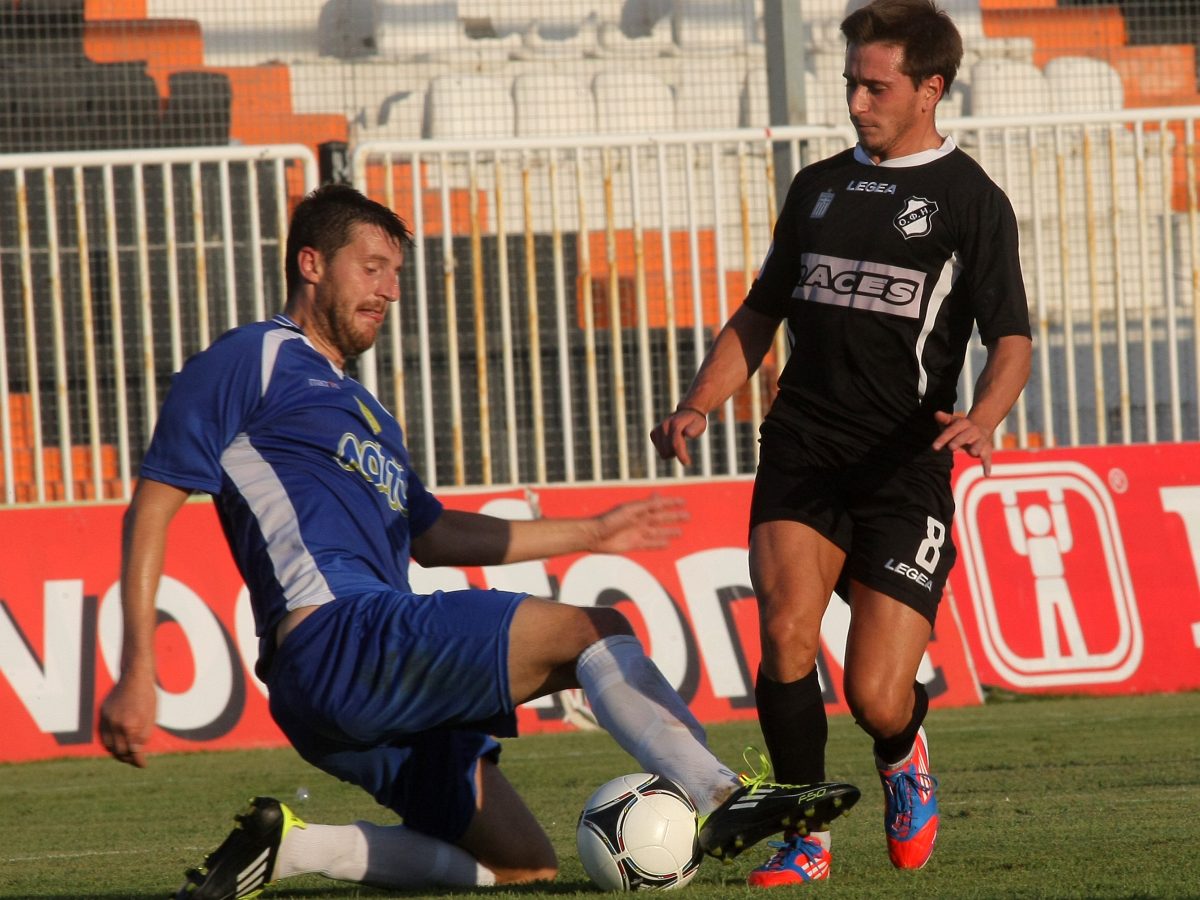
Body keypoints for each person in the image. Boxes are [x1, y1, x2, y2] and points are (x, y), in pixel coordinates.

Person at [98, 183, 860, 900]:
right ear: (311, 263)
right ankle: (718, 795)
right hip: (338, 635)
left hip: (344, 692)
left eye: (396, 274)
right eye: (372, 267)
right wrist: (138, 668)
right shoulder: (250, 358)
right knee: (591, 630)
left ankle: (290, 848)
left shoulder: (370, 416)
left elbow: (434, 535)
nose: (389, 291)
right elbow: (154, 503)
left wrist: (592, 531)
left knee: (519, 863)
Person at [651, 0, 1032, 888]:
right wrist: (699, 402)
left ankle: (903, 752)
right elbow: (761, 312)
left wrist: (984, 416)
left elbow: (1011, 338)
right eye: (851, 82)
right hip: (804, 445)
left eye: (876, 87)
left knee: (875, 696)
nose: (857, 102)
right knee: (786, 633)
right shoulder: (818, 187)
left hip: (902, 466)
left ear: (931, 88)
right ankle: (804, 834)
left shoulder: (970, 199)